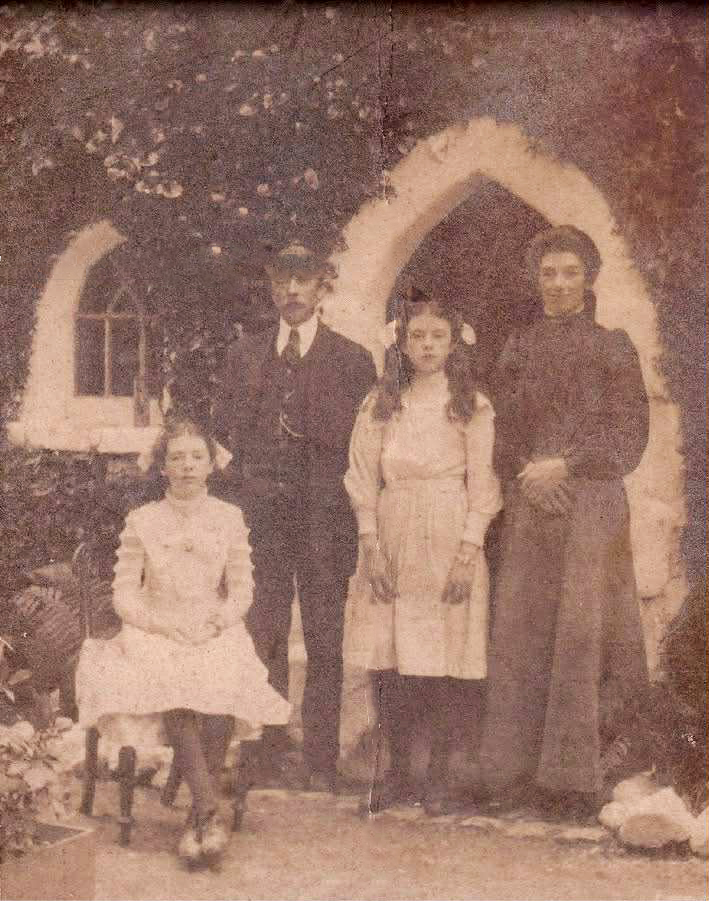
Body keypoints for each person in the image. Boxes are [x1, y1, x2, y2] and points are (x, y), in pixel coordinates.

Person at [478, 225, 651, 820]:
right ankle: (518, 775)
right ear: (535, 279)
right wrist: (529, 471)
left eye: (570, 272)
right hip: (532, 503)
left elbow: (629, 434)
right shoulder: (518, 347)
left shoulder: (613, 347)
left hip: (593, 506)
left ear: (589, 278)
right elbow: (499, 428)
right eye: (548, 273)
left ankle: (581, 780)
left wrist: (565, 466)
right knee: (525, 631)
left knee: (585, 632)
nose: (558, 284)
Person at [76, 418, 290, 866]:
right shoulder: (142, 520)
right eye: (177, 458)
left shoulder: (229, 518)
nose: (188, 466)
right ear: (163, 467)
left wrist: (218, 622)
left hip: (210, 623)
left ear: (211, 465)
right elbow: (123, 595)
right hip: (156, 626)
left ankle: (199, 819)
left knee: (222, 676)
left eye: (197, 457)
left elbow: (242, 591)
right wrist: (158, 625)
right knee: (172, 682)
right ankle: (208, 813)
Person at [213, 242, 377, 792]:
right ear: (271, 286)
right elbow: (225, 433)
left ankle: (321, 761)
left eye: (303, 281)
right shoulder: (244, 355)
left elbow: (363, 446)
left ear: (322, 288)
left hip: (325, 520)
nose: (292, 291)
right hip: (262, 520)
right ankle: (265, 750)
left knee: (326, 639)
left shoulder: (352, 360)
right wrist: (242, 490)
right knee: (264, 632)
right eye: (282, 280)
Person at [344, 288, 502, 815]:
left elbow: (483, 483)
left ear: (454, 343)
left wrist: (467, 552)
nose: (428, 345)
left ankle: (438, 775)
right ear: (403, 344)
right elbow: (362, 477)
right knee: (390, 653)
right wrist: (370, 544)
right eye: (418, 336)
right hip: (393, 531)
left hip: (449, 531)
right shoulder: (381, 403)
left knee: (444, 653)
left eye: (438, 336)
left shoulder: (470, 405)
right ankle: (396, 773)